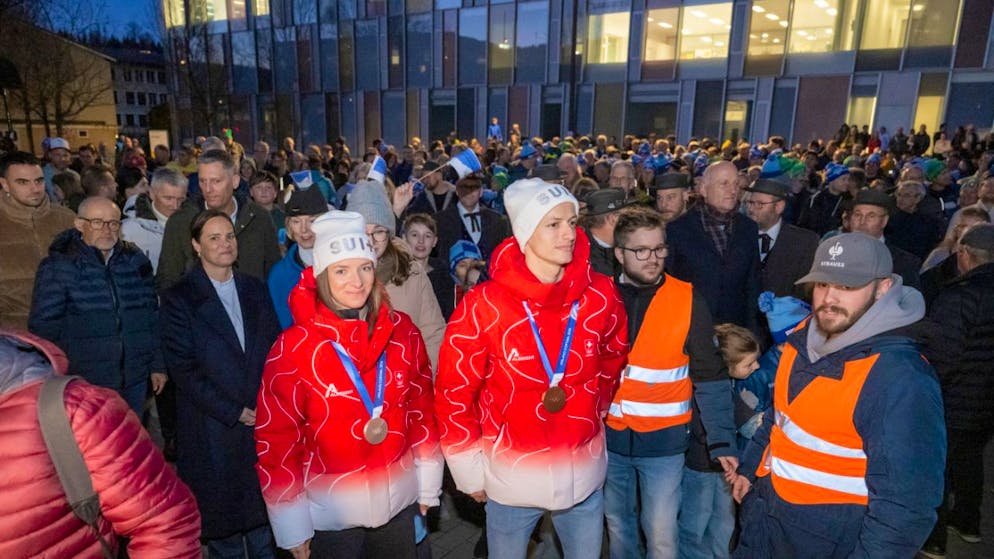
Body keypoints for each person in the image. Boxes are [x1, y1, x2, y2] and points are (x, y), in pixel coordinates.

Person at [435, 177, 628, 559]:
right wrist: (469, 471)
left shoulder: (600, 293)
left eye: (571, 222)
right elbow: (454, 391)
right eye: (553, 224)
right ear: (525, 233)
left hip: (582, 474)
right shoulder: (485, 304)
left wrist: (593, 409)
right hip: (511, 479)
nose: (568, 234)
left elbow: (613, 356)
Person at [731, 232, 945, 558]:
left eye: (847, 287)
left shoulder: (900, 378)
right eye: (822, 284)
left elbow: (905, 507)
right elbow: (780, 417)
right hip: (768, 522)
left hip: (830, 543)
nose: (829, 298)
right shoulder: (801, 337)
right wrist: (749, 469)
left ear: (883, 287)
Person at [255, 210, 443, 559]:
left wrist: (427, 485)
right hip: (331, 517)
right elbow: (277, 440)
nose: (356, 281)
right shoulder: (294, 347)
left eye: (365, 267)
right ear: (322, 276)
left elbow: (422, 411)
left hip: (397, 506)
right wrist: (292, 524)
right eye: (341, 270)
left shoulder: (402, 332)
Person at [0, 329, 202, 558]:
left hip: (114, 379)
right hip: (102, 372)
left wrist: (155, 364)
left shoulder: (74, 411)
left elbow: (163, 522)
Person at [605, 207, 735, 559]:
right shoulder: (599, 297)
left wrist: (722, 440)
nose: (653, 259)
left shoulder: (686, 299)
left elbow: (711, 376)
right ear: (619, 253)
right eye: (641, 251)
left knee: (662, 534)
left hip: (664, 443)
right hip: (609, 440)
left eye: (660, 248)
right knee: (618, 527)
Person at [160, 209, 282, 558]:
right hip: (212, 425)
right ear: (196, 245)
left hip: (260, 420)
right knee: (225, 531)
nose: (225, 244)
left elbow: (275, 349)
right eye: (214, 237)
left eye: (229, 236)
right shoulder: (179, 297)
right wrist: (234, 411)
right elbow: (183, 369)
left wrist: (269, 402)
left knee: (264, 527)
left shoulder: (254, 288)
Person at [29, 197, 164, 415]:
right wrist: (55, 377)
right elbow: (44, 328)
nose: (107, 230)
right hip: (85, 383)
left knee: (131, 444)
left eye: (113, 223)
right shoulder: (58, 267)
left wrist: (157, 364)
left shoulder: (135, 261)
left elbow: (151, 316)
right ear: (80, 224)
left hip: (134, 380)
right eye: (97, 222)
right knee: (94, 447)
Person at [916, 224, 994, 558]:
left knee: (938, 467)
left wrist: (926, 392)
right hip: (986, 401)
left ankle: (933, 538)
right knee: (970, 459)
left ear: (964, 254)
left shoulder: (960, 294)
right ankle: (968, 522)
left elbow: (943, 354)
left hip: (954, 398)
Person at [348, 180, 446, 369]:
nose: (370, 241)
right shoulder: (337, 278)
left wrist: (426, 383)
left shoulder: (412, 272)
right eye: (362, 232)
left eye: (378, 232)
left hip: (408, 384)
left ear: (389, 233)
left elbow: (432, 333)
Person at [157, 149, 281, 291]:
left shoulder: (259, 218)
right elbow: (168, 279)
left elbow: (273, 273)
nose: (208, 189)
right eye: (203, 181)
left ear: (235, 181)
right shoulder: (181, 222)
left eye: (216, 181)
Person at [666, 160, 761, 334]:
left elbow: (752, 285)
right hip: (690, 332)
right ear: (703, 189)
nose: (732, 190)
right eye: (724, 184)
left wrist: (753, 335)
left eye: (736, 184)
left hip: (735, 334)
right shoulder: (677, 230)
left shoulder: (748, 228)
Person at [0, 151, 76, 330]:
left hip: (69, 331)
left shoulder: (67, 219)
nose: (35, 189)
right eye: (23, 182)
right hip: (14, 336)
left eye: (39, 180)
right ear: (5, 184)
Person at [267, 183, 330, 329]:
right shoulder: (280, 275)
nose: (304, 229)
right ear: (289, 226)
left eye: (312, 220)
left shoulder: (342, 265)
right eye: (296, 221)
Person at [746, 178, 819, 300]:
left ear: (779, 207)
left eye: (759, 204)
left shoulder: (804, 242)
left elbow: (805, 292)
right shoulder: (736, 237)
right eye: (750, 203)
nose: (751, 209)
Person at [847, 188, 922, 289]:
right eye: (857, 215)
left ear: (884, 221)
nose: (862, 222)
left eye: (871, 216)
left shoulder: (904, 262)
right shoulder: (833, 253)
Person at [121, 167, 189, 275]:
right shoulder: (129, 230)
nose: (175, 206)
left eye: (180, 199)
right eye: (168, 198)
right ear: (152, 194)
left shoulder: (192, 224)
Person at [435, 173, 511, 263]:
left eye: (474, 187)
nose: (469, 191)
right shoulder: (439, 221)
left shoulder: (498, 220)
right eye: (464, 187)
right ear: (457, 191)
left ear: (481, 191)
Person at [885, 180, 945, 261]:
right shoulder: (888, 219)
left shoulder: (928, 223)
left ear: (918, 198)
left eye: (906, 196)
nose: (900, 199)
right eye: (899, 195)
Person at [579, 188, 629, 278]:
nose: (628, 221)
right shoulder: (581, 257)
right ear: (612, 219)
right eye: (624, 216)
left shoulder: (627, 246)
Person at [797, 163, 854, 236]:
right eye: (843, 179)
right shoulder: (815, 199)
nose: (847, 183)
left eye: (848, 179)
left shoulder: (849, 201)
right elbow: (803, 223)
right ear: (832, 180)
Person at [43, 137, 77, 202]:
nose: (62, 159)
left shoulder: (75, 176)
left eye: (65, 155)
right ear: (50, 155)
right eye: (58, 155)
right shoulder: (42, 175)